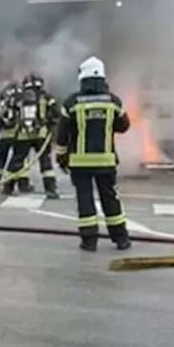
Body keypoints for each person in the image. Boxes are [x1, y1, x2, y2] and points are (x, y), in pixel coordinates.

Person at [53, 56, 131, 251]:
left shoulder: (71, 103)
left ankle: (89, 241)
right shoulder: (113, 101)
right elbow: (124, 126)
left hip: (79, 163)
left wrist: (61, 156)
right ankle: (121, 238)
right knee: (110, 199)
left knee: (85, 200)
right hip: (106, 162)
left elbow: (62, 134)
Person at [21, 72, 60, 198]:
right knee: (45, 163)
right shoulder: (47, 97)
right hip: (42, 135)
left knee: (21, 161)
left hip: (24, 135)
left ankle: (19, 185)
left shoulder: (20, 98)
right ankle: (50, 189)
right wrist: (51, 123)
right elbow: (56, 112)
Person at [0, 82, 20, 186]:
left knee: (1, 157)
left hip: (4, 137)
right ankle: (18, 182)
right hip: (18, 136)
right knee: (18, 159)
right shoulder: (21, 103)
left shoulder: (1, 105)